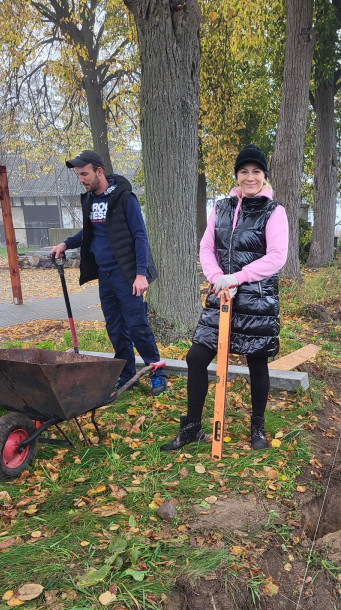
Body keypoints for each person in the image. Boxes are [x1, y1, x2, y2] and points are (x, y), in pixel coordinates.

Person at [161, 144, 288, 452]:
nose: (250, 177)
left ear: (264, 176)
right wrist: (218, 278)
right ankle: (192, 427)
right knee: (196, 357)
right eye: (244, 171)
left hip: (256, 300)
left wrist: (237, 277)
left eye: (256, 171)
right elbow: (206, 248)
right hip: (221, 294)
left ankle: (257, 426)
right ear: (237, 175)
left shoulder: (274, 211)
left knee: (256, 361)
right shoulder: (221, 208)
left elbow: (277, 256)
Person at [51, 150, 166, 394]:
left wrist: (141, 274)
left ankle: (157, 372)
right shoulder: (90, 200)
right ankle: (127, 374)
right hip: (105, 276)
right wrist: (65, 244)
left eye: (84, 174)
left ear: (99, 171)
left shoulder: (124, 198)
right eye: (78, 175)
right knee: (115, 327)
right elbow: (88, 232)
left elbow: (140, 236)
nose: (81, 179)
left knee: (137, 326)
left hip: (127, 275)